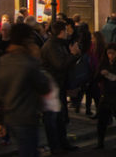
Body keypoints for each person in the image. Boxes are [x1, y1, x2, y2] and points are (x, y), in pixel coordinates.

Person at [0, 23, 52, 157]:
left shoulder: (2, 61)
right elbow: (44, 86)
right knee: (29, 151)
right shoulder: (28, 62)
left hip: (10, 116)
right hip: (27, 116)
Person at [41, 20, 80, 151]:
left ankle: (62, 143)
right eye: (66, 30)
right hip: (52, 86)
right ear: (61, 32)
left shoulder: (59, 45)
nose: (68, 33)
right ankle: (55, 145)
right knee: (53, 118)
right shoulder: (52, 46)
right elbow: (60, 65)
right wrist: (73, 55)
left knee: (60, 117)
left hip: (59, 85)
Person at [95, 42, 116, 150]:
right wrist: (101, 74)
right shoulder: (103, 63)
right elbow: (95, 78)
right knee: (102, 120)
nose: (111, 56)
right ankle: (100, 142)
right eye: (109, 53)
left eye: (113, 53)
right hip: (107, 94)